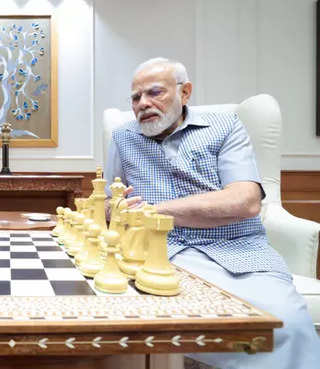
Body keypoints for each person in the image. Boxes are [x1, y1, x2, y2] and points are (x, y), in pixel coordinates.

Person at [104, 57, 319, 368]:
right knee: (150, 323)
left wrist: (156, 209)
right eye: (136, 97)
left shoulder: (225, 126)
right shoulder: (124, 137)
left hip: (239, 251)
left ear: (185, 92)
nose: (143, 104)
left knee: (283, 324)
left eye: (154, 93)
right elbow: (111, 203)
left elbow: (245, 201)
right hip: (160, 255)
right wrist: (116, 208)